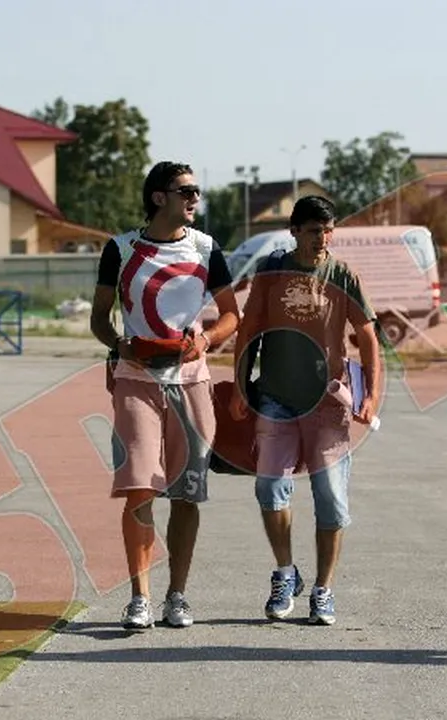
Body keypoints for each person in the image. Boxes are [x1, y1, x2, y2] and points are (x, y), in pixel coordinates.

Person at [89, 161, 241, 630]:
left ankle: (177, 596)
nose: (195, 199)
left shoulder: (207, 249)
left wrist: (206, 340)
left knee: (186, 494)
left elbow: (231, 316)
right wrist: (119, 344)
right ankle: (139, 597)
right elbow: (99, 319)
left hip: (191, 381)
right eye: (186, 191)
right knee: (139, 486)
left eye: (197, 191)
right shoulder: (121, 248)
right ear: (159, 197)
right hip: (136, 379)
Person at [229, 195, 384, 625]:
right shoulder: (272, 272)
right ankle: (284, 573)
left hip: (328, 405)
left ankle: (323, 590)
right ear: (294, 231)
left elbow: (368, 337)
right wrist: (242, 388)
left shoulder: (342, 275)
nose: (322, 238)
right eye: (314, 230)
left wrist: (371, 394)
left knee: (331, 502)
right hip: (276, 398)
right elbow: (249, 331)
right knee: (269, 488)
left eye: (328, 230)